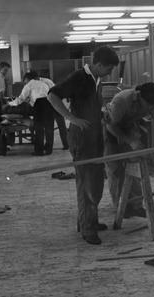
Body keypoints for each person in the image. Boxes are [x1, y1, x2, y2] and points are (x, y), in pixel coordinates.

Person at [47, 46, 119, 245]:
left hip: (94, 136)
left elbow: (93, 103)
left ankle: (89, 221)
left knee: (95, 180)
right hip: (81, 138)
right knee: (86, 182)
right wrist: (71, 118)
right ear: (97, 64)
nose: (109, 73)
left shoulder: (96, 80)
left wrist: (103, 111)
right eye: (108, 69)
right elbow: (52, 95)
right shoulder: (80, 77)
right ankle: (87, 229)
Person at [104, 82, 154, 218]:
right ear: (138, 96)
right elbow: (111, 126)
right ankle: (121, 206)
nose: (151, 108)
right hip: (111, 129)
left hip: (129, 126)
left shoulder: (152, 101)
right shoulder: (122, 100)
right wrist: (130, 141)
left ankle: (136, 205)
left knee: (136, 167)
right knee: (115, 170)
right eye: (148, 106)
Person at [9, 71, 54, 156]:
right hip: (49, 104)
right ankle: (49, 150)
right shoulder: (43, 83)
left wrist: (10, 103)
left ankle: (39, 151)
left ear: (27, 79)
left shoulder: (29, 85)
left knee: (39, 129)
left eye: (24, 80)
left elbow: (20, 99)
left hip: (39, 105)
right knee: (49, 129)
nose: (24, 82)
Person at [29, 71, 69, 150]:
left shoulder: (47, 82)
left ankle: (66, 144)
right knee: (48, 127)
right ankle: (48, 147)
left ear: (36, 78)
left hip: (55, 104)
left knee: (61, 125)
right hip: (46, 106)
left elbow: (56, 92)